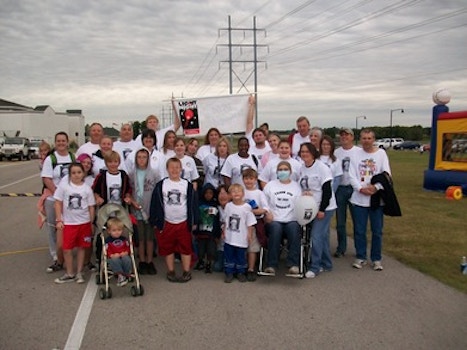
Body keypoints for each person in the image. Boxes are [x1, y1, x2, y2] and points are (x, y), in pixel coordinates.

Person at [150, 157, 198, 283]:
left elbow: (193, 204)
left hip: (183, 222)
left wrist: (194, 221)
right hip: (167, 222)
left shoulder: (187, 185)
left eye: (177, 167)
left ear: (181, 169)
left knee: (185, 248)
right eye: (171, 167)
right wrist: (154, 220)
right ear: (167, 169)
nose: (174, 170)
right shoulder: (161, 185)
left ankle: (186, 271)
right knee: (168, 248)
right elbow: (155, 204)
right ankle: (170, 270)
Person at [349, 129, 391, 271]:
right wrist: (361, 189)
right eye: (364, 138)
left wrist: (376, 188)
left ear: (373, 139)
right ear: (360, 139)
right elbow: (351, 175)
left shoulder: (381, 154)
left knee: (377, 230)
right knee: (360, 230)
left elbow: (386, 174)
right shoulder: (355, 154)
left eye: (369, 138)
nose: (366, 141)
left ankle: (376, 258)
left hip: (376, 200)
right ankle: (361, 256)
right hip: (359, 199)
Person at [298, 143, 336, 279]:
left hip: (325, 208)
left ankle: (315, 266)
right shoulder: (302, 168)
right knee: (321, 238)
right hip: (311, 207)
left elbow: (327, 191)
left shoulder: (321, 168)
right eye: (302, 152)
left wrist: (322, 210)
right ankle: (327, 263)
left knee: (316, 236)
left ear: (313, 153)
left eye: (307, 152)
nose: (304, 154)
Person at [53, 162, 95, 284]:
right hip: (69, 223)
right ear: (69, 174)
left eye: (79, 172)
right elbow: (57, 203)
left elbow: (91, 206)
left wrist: (91, 222)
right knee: (67, 248)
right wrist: (59, 219)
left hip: (84, 222)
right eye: (73, 173)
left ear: (83, 173)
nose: (76, 175)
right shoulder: (64, 187)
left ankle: (79, 272)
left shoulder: (87, 189)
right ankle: (69, 272)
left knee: (82, 248)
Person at [41, 132, 75, 273]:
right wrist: (57, 193)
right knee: (53, 227)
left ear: (67, 142)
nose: (61, 143)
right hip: (53, 199)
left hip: (69, 199)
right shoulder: (51, 159)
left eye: (63, 141)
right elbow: (47, 178)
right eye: (58, 141)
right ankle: (56, 257)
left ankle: (67, 253)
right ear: (55, 143)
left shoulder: (73, 157)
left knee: (68, 226)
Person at [92, 151, 133, 264]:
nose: (113, 164)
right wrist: (97, 197)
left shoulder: (123, 175)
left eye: (115, 161)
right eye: (110, 162)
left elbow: (128, 190)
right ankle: (100, 259)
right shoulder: (102, 176)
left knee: (121, 235)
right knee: (103, 235)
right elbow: (95, 190)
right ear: (106, 163)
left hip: (120, 211)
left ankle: (123, 258)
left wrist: (128, 197)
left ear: (119, 162)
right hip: (106, 211)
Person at [262, 161, 302, 276]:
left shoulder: (296, 186)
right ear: (277, 172)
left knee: (294, 230)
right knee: (275, 230)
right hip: (274, 219)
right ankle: (271, 264)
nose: (283, 171)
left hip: (291, 219)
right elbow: (264, 202)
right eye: (280, 169)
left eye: (285, 169)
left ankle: (293, 264)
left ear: (290, 171)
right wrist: (266, 213)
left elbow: (300, 203)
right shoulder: (270, 185)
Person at [127, 148, 158, 275]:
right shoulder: (131, 174)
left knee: (149, 238)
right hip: (136, 210)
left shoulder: (154, 174)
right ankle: (142, 261)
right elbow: (129, 192)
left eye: (144, 157)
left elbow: (157, 193)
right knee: (140, 238)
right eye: (139, 157)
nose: (141, 159)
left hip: (149, 209)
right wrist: (132, 202)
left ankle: (150, 261)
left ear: (148, 159)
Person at [222, 183, 256, 283]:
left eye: (238, 191)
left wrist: (249, 234)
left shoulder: (247, 207)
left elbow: (250, 223)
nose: (236, 193)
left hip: (241, 237)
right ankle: (229, 272)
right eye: (233, 191)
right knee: (229, 255)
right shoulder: (228, 206)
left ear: (243, 194)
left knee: (241, 256)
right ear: (230, 195)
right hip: (230, 236)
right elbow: (225, 220)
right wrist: (223, 231)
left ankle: (241, 272)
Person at [333, 128, 360, 258]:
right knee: (340, 222)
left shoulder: (358, 152)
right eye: (342, 135)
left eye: (347, 135)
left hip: (355, 189)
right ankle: (341, 247)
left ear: (352, 137)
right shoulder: (336, 153)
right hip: (341, 189)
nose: (344, 137)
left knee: (358, 221)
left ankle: (359, 249)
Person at [242, 168, 270, 281]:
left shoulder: (259, 193)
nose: (248, 181)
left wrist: (255, 211)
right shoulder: (240, 191)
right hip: (242, 223)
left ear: (255, 179)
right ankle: (241, 267)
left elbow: (265, 208)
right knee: (241, 245)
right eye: (246, 178)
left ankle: (251, 268)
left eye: (251, 178)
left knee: (252, 247)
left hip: (254, 223)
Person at [194, 183, 220, 273]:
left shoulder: (215, 206)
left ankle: (209, 264)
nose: (208, 195)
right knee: (200, 249)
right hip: (201, 232)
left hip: (211, 233)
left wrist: (217, 234)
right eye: (206, 193)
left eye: (210, 193)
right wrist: (195, 231)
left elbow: (217, 221)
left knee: (211, 250)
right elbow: (196, 217)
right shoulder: (199, 204)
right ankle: (201, 261)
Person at [104, 217, 132, 287]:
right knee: (115, 260)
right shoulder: (108, 240)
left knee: (127, 259)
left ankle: (125, 273)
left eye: (119, 230)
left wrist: (126, 252)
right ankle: (120, 275)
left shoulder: (124, 239)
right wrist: (111, 255)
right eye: (114, 230)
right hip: (113, 256)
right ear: (109, 231)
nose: (117, 232)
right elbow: (107, 250)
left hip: (123, 255)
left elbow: (127, 247)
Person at [213, 184, 231, 272]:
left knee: (229, 268)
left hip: (232, 244)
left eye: (225, 193)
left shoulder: (234, 208)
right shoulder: (215, 209)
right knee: (217, 268)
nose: (223, 196)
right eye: (220, 193)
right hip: (220, 245)